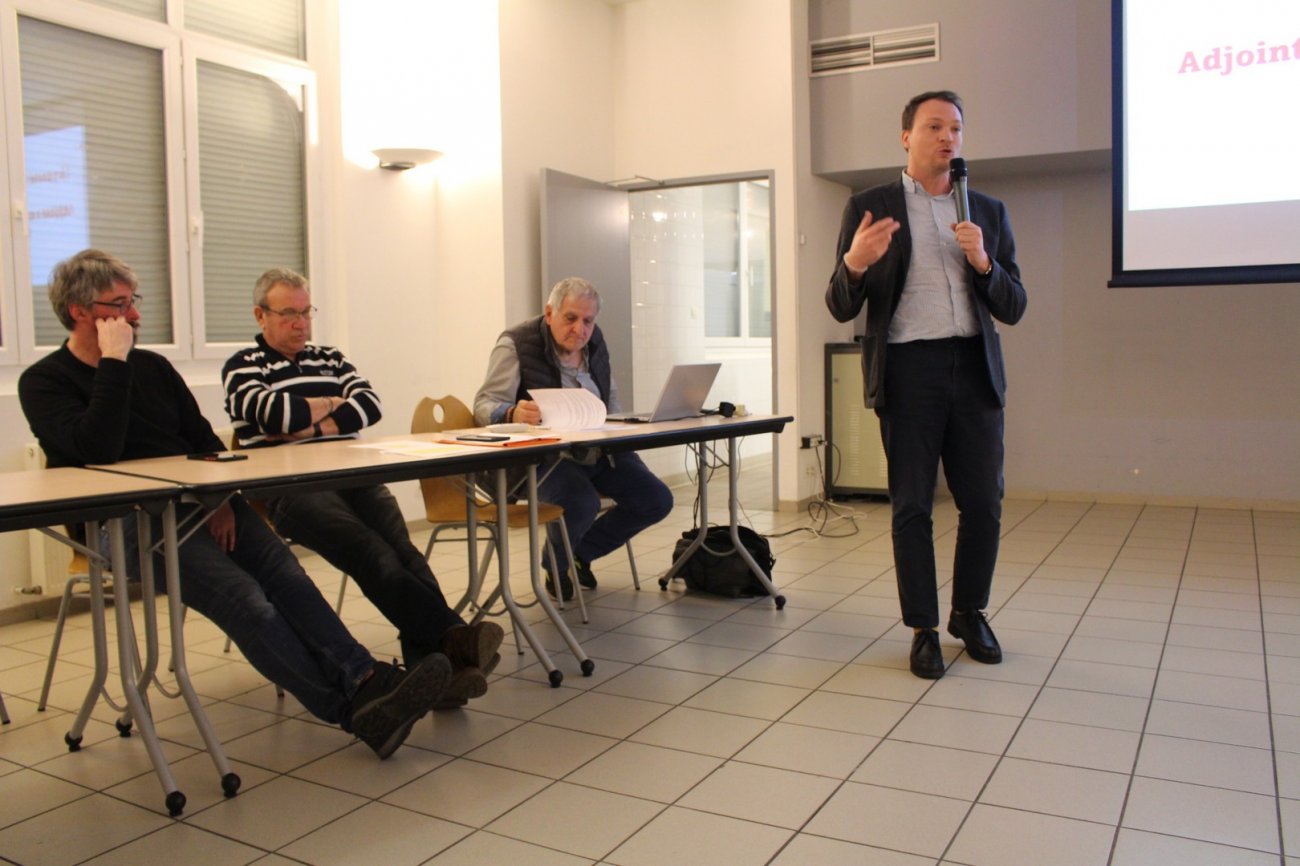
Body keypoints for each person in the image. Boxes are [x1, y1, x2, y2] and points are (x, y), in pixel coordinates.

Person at [18, 249, 449, 758]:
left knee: (287, 576)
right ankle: (352, 708)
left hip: (200, 503)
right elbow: (98, 448)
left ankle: (365, 677)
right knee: (246, 598)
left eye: (134, 301)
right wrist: (113, 362)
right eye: (119, 304)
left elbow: (204, 441)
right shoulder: (44, 382)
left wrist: (220, 498)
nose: (134, 314)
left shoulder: (153, 367)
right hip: (123, 521)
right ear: (79, 311)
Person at [221, 267, 503, 707]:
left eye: (306, 312)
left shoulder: (330, 357)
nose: (300, 323)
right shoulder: (243, 366)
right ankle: (454, 639)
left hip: (356, 476)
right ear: (261, 316)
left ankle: (440, 674)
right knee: (374, 553)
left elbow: (369, 406)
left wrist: (310, 426)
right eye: (288, 314)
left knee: (404, 552)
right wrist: (333, 405)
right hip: (292, 490)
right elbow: (273, 414)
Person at [824, 91, 1028, 680]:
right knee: (913, 505)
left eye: (956, 128)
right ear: (906, 137)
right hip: (908, 370)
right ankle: (923, 628)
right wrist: (855, 262)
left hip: (975, 369)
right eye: (934, 126)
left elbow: (1015, 306)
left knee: (983, 503)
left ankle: (968, 612)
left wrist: (985, 263)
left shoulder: (986, 210)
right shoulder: (870, 206)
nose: (948, 138)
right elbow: (840, 304)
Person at [474, 277, 674, 600]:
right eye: (570, 318)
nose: (580, 329)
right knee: (581, 502)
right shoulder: (516, 343)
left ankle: (578, 553)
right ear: (549, 313)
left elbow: (610, 397)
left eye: (588, 321)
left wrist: (621, 429)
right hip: (541, 459)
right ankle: (557, 565)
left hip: (598, 449)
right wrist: (511, 413)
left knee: (656, 499)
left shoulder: (596, 342)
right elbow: (483, 405)